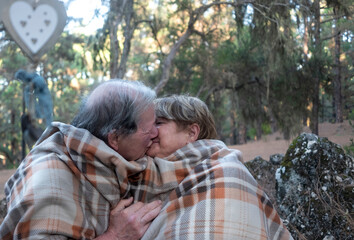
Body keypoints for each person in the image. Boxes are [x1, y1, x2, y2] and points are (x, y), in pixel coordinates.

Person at [0, 80, 163, 239]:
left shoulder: (100, 160)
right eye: (148, 130)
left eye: (157, 123)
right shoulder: (51, 182)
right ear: (115, 138)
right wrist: (116, 235)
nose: (156, 133)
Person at [129, 95, 293, 239]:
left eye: (158, 123)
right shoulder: (133, 172)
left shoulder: (227, 171)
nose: (150, 131)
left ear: (192, 133)